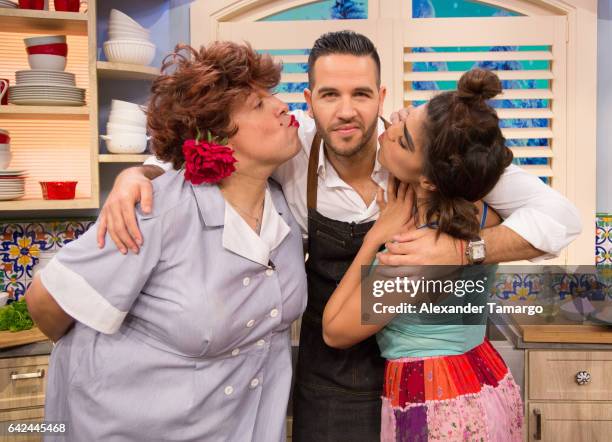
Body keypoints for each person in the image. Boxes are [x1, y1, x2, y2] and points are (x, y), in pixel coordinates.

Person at [96, 32, 581, 441]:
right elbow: (205, 143)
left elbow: (560, 217)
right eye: (329, 95)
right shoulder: (290, 146)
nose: (347, 111)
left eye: (362, 95)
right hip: (330, 381)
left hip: (421, 377)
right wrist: (137, 173)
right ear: (309, 103)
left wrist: (461, 248)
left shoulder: (440, 153)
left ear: (382, 98)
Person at [24, 41, 307, 442]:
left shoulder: (283, 210)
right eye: (258, 104)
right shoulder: (153, 211)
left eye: (272, 96)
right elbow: (45, 302)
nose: (282, 106)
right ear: (217, 136)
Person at [323, 69, 523, 440]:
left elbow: (335, 331)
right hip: (483, 375)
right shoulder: (482, 209)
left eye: (402, 139)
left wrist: (375, 239)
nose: (387, 131)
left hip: (438, 398)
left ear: (429, 179)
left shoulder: (413, 256)